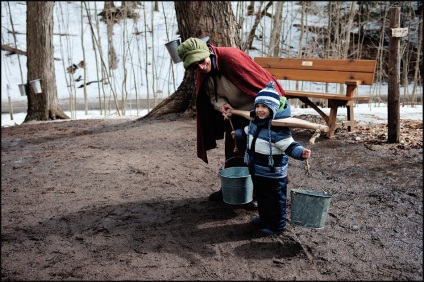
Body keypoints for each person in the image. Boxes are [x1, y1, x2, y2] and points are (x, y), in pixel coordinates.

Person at [177, 37, 286, 207]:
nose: (199, 67)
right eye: (193, 65)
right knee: (234, 149)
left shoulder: (231, 58)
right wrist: (221, 105)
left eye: (200, 61)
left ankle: (258, 195)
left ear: (208, 53)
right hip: (236, 114)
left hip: (260, 111)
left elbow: (264, 86)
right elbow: (212, 97)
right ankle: (231, 188)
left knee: (261, 153)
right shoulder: (203, 73)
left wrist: (264, 113)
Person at [231, 81, 311, 236]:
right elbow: (249, 132)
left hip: (273, 173)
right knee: (261, 196)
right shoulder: (256, 122)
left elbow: (289, 145)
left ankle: (277, 225)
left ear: (272, 108)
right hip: (257, 169)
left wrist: (300, 153)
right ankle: (265, 219)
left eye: (264, 107)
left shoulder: (277, 129)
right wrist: (239, 133)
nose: (260, 110)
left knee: (275, 200)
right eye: (258, 106)